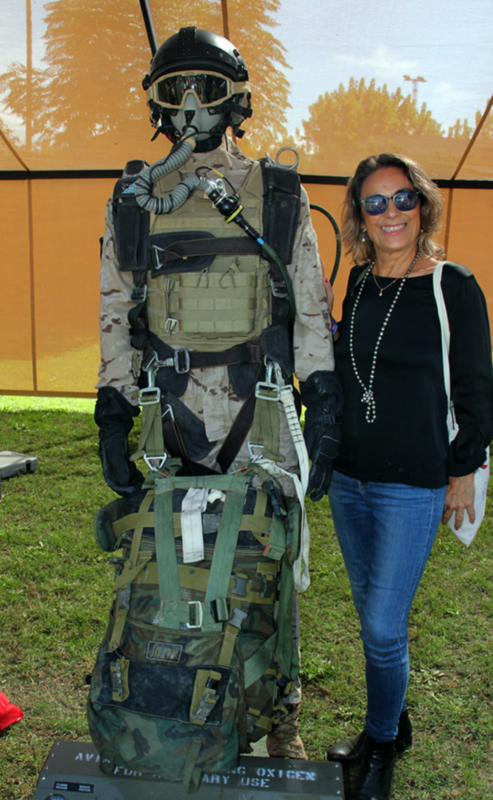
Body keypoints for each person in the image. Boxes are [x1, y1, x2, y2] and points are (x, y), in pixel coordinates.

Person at [94, 26, 343, 760]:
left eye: (206, 87)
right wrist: (113, 408)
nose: (193, 106)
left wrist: (323, 400)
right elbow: (117, 308)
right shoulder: (136, 203)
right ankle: (171, 702)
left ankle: (276, 720)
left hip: (257, 415)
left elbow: (305, 301)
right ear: (157, 106)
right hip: (166, 417)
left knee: (269, 568)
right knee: (164, 566)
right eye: (176, 90)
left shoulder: (280, 195)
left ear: (237, 100)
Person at [325, 153, 493, 800]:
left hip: (415, 484)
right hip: (350, 479)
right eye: (374, 203)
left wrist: (464, 469)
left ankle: (382, 743)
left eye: (402, 199)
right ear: (360, 217)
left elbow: (478, 388)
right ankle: (393, 719)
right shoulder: (360, 283)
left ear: (422, 206)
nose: (390, 212)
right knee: (375, 617)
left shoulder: (455, 285)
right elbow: (348, 370)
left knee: (382, 628)